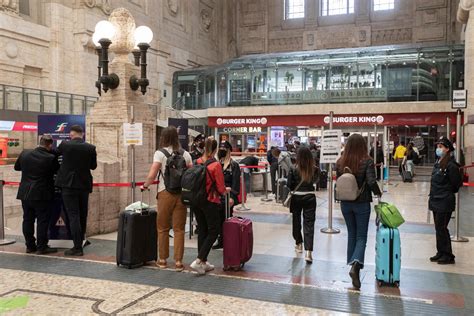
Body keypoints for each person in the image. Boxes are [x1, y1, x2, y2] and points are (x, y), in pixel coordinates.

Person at [141, 126, 193, 271]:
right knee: (179, 229)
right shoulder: (186, 154)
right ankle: (178, 262)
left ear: (163, 138)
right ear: (176, 138)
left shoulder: (160, 153)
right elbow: (191, 175)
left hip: (165, 193)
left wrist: (145, 185)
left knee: (163, 228)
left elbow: (152, 174)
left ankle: (163, 260)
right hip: (181, 195)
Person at [336, 134, 382, 289]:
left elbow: (339, 182)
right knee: (362, 236)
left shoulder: (341, 161)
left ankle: (352, 263)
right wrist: (378, 192)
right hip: (361, 202)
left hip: (345, 203)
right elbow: (371, 181)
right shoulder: (367, 161)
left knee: (352, 234)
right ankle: (356, 266)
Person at [55, 125, 97, 256]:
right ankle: (82, 240)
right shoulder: (91, 148)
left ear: (72, 134)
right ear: (82, 134)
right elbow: (93, 166)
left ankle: (77, 247)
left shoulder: (65, 145)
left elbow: (55, 156)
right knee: (82, 214)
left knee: (73, 215)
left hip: (68, 185)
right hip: (83, 185)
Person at [14, 135, 59, 254]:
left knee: (27, 219)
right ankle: (42, 247)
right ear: (50, 145)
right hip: (42, 194)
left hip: (25, 193)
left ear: (40, 142)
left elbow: (17, 167)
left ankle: (29, 246)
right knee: (42, 220)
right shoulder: (50, 157)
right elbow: (57, 170)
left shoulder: (25, 153)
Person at [190, 138, 229, 275]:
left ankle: (204, 262)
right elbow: (220, 187)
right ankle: (199, 260)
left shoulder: (197, 162)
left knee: (202, 229)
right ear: (215, 149)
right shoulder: (215, 165)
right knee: (214, 230)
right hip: (210, 200)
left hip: (196, 201)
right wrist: (226, 191)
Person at [428, 138, 462, 265]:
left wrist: (445, 192)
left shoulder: (451, 165)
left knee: (442, 228)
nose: (439, 149)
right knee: (438, 228)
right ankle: (440, 252)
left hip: (444, 201)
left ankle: (448, 255)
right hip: (435, 199)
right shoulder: (438, 163)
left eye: (441, 146)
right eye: (438, 146)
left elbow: (456, 185)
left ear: (447, 149)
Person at [287, 147, 318, 264]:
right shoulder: (314, 169)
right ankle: (309, 252)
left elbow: (289, 184)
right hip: (310, 197)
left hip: (296, 198)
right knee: (309, 223)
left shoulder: (293, 168)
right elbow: (315, 182)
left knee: (296, 220)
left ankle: (298, 244)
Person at [213, 141, 240, 249]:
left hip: (228, 197)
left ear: (229, 151)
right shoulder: (218, 163)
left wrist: (232, 197)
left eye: (224, 149)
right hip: (218, 196)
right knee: (218, 218)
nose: (222, 151)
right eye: (221, 149)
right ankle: (220, 240)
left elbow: (236, 183)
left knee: (227, 218)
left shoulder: (234, 165)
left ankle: (227, 239)